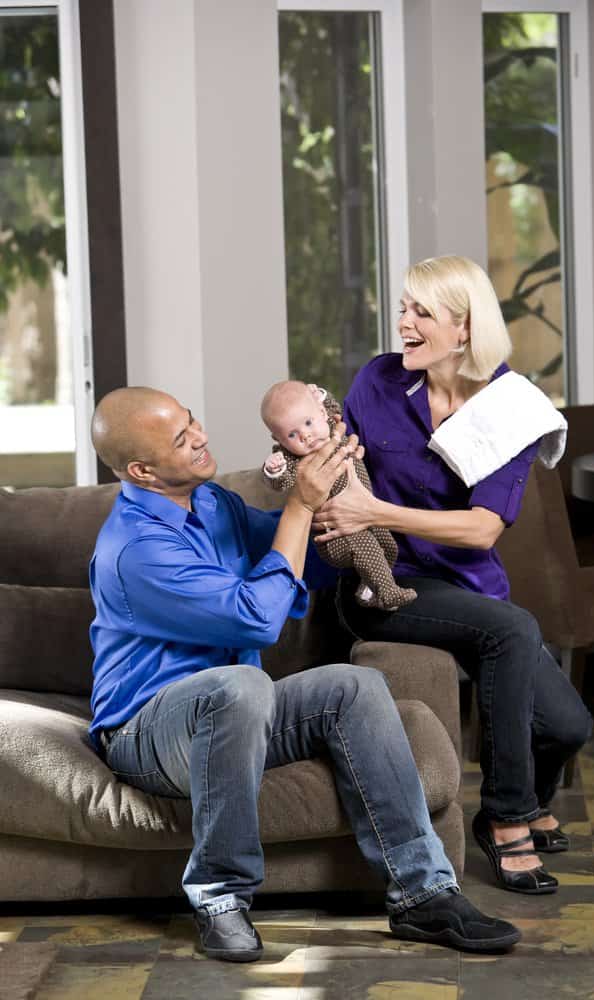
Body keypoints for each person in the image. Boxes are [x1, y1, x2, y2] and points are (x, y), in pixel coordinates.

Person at [87, 385, 521, 963]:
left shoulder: (211, 502)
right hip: (146, 732)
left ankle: (424, 893)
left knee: (355, 686)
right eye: (182, 438)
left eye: (194, 422)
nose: (202, 437)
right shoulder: (135, 549)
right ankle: (220, 898)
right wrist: (299, 505)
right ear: (142, 469)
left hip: (240, 716)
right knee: (240, 684)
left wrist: (342, 507)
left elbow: (296, 559)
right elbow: (258, 619)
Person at [312, 254, 594, 896]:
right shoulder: (378, 382)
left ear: (464, 329)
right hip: (383, 579)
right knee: (512, 630)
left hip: (467, 588)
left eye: (421, 312)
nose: (403, 323)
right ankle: (508, 818)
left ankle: (522, 801)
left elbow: (482, 528)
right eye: (403, 307)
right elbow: (335, 467)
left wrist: (374, 506)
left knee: (571, 727)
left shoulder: (510, 405)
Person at [261, 379, 416, 610]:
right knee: (366, 546)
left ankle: (368, 588)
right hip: (336, 534)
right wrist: (274, 469)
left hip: (366, 516)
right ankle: (388, 593)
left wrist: (318, 393)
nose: (306, 436)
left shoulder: (333, 427)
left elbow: (332, 406)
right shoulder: (295, 460)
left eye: (308, 422)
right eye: (292, 435)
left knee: (388, 545)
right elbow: (280, 482)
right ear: (279, 440)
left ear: (322, 413)